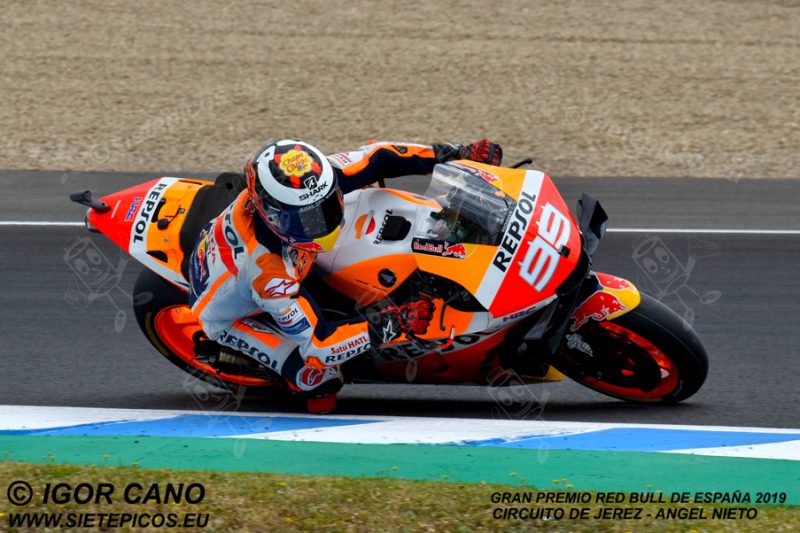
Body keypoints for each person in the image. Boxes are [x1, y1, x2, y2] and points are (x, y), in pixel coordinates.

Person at [188, 139, 503, 413]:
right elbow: (319, 344)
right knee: (318, 376)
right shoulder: (269, 275)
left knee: (372, 194)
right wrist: (395, 322)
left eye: (326, 205)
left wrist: (453, 154)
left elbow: (378, 156)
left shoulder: (314, 183)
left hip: (287, 260)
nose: (325, 221)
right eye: (309, 218)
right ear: (274, 217)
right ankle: (302, 394)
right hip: (235, 314)